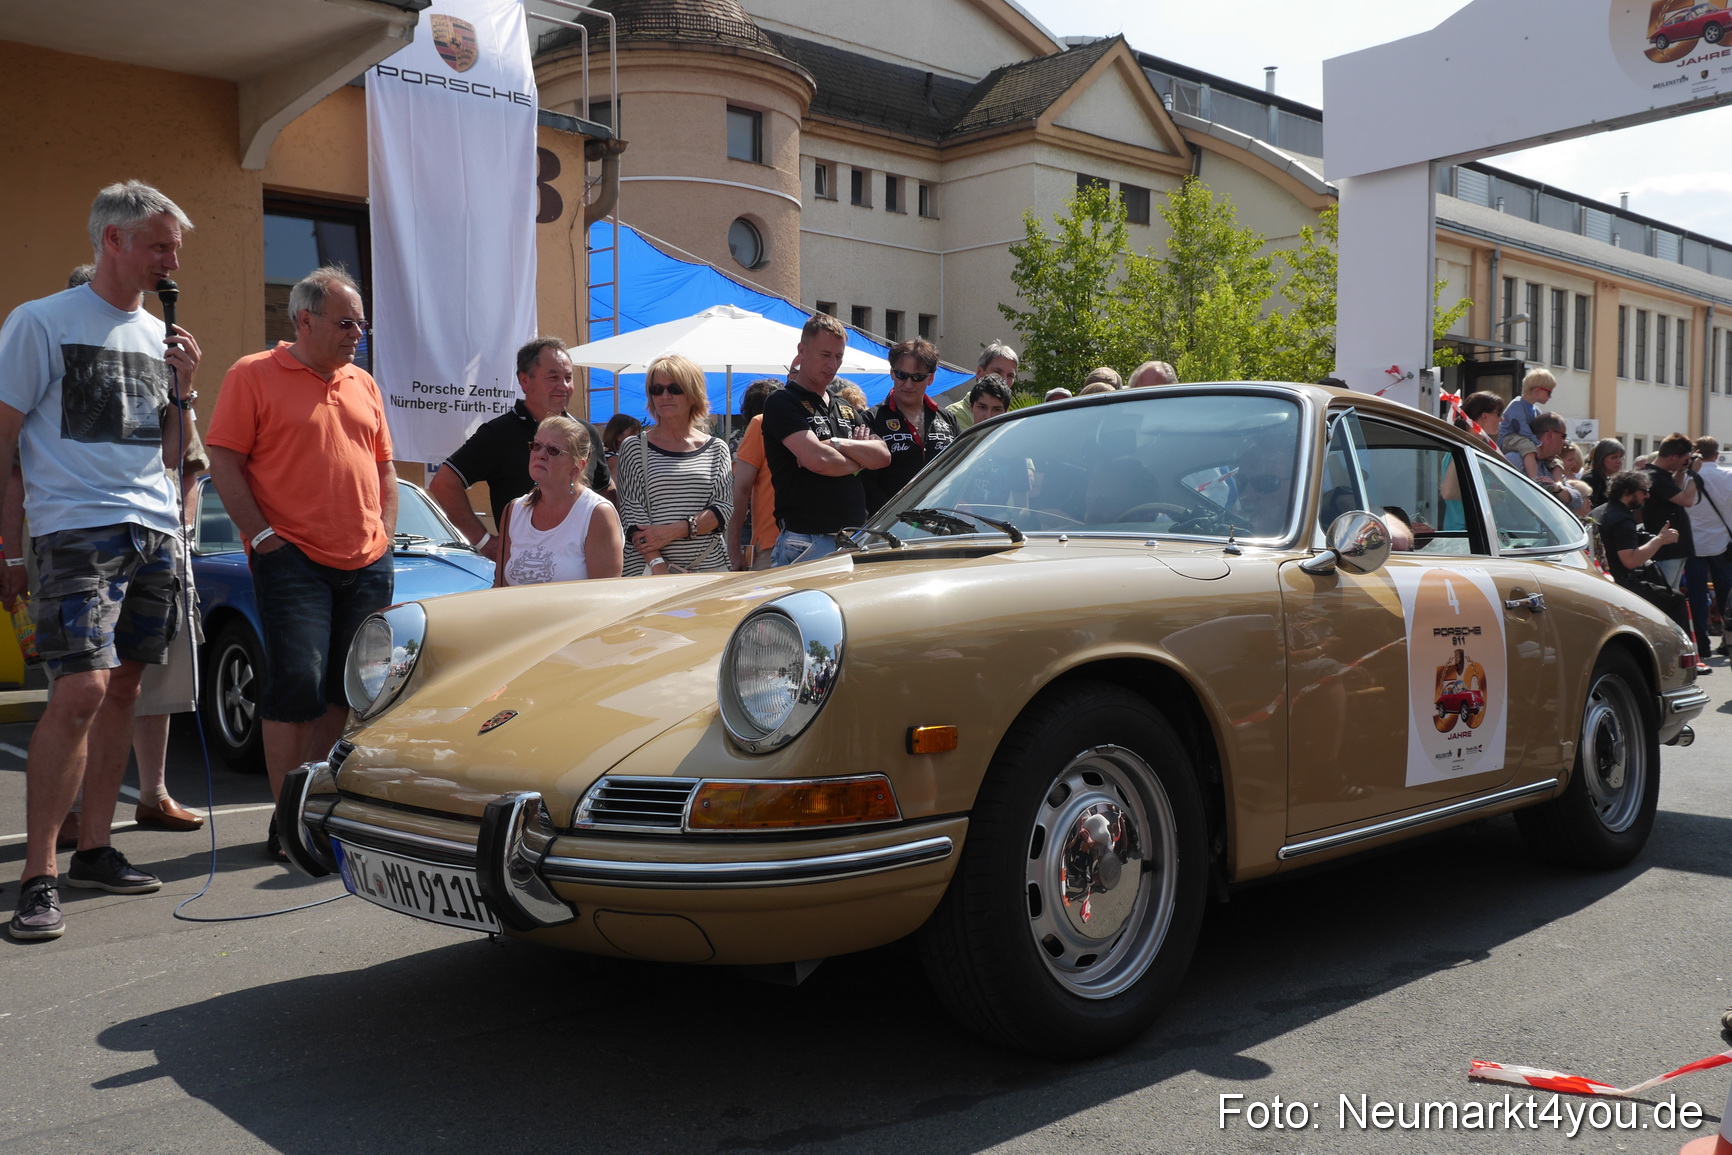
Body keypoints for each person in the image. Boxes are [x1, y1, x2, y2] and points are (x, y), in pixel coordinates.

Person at [0, 180, 203, 939]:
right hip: (75, 529)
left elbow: (174, 457)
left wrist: (186, 389)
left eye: (174, 247)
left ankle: (95, 848)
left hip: (152, 530)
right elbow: (4, 439)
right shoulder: (41, 322)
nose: (171, 259)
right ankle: (37, 871)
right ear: (112, 240)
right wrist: (3, 542)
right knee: (80, 688)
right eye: (159, 244)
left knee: (124, 690)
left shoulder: (162, 337)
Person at [206, 265, 396, 859]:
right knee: (296, 687)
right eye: (346, 322)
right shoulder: (252, 375)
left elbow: (386, 467)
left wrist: (384, 534)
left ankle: (311, 806)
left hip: (366, 561)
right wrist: (261, 535)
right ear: (304, 320)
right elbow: (223, 461)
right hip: (293, 559)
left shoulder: (363, 382)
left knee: (346, 689)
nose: (357, 333)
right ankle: (286, 822)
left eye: (362, 323)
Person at [429, 337, 612, 563]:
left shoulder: (585, 432)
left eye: (568, 377)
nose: (563, 386)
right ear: (525, 381)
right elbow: (443, 483)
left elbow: (605, 489)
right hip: (524, 570)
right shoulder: (498, 433)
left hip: (583, 569)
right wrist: (485, 542)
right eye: (553, 377)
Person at [762, 314, 889, 565]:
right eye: (825, 355)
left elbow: (883, 456)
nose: (833, 364)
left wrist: (838, 445)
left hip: (852, 538)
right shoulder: (782, 401)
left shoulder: (844, 406)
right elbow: (819, 460)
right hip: (807, 540)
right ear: (802, 350)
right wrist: (859, 459)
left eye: (839, 357)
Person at [616, 354, 733, 575]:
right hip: (651, 572)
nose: (664, 395)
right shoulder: (634, 447)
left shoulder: (717, 448)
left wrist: (675, 530)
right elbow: (632, 517)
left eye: (674, 388)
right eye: (656, 389)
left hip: (709, 569)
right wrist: (660, 568)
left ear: (692, 392)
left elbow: (723, 509)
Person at [496, 416, 622, 586]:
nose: (540, 454)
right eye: (537, 446)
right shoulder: (514, 510)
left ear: (578, 466)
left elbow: (605, 597)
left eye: (553, 450)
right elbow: (500, 588)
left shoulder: (597, 513)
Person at [864, 338, 957, 514]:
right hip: (888, 527)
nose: (908, 384)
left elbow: (959, 473)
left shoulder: (947, 418)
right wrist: (896, 518)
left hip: (940, 522)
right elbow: (865, 483)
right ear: (892, 373)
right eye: (902, 375)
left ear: (931, 378)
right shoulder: (872, 418)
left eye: (917, 378)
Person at [1598, 469, 1689, 633]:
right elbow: (1630, 560)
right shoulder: (1622, 520)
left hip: (1608, 580)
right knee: (1676, 600)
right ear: (1627, 491)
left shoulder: (1604, 510)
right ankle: (1680, 652)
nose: (1647, 496)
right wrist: (1660, 540)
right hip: (1623, 584)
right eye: (1644, 491)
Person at [1685, 436, 1732, 661]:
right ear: (1717, 453)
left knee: (1697, 595)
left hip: (1694, 544)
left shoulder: (1688, 478)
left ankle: (1701, 645)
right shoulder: (1728, 476)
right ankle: (1727, 640)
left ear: (1696, 453)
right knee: (1725, 596)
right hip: (1722, 543)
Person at [1641, 432, 1700, 591]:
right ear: (1674, 456)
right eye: (1684, 458)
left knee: (1672, 595)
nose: (1686, 462)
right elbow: (1686, 500)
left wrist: (1681, 470)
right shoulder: (1654, 476)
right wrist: (1694, 475)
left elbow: (1676, 491)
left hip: (1674, 548)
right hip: (1666, 551)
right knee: (1665, 595)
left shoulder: (1661, 475)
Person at [943, 342, 1018, 431]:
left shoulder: (1015, 418)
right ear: (980, 372)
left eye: (1010, 376)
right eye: (997, 372)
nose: (1004, 380)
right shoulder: (953, 415)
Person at [1499, 369, 1556, 477]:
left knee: (1552, 455)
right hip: (1508, 439)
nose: (1550, 396)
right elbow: (1523, 429)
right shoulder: (1516, 405)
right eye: (1549, 392)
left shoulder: (1536, 409)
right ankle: (1534, 479)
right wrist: (1538, 444)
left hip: (1522, 439)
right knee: (1527, 446)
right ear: (1537, 391)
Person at [1582, 438, 1626, 508]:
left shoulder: (1608, 478)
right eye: (1614, 457)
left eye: (1620, 457)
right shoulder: (1591, 479)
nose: (1619, 461)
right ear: (1601, 458)